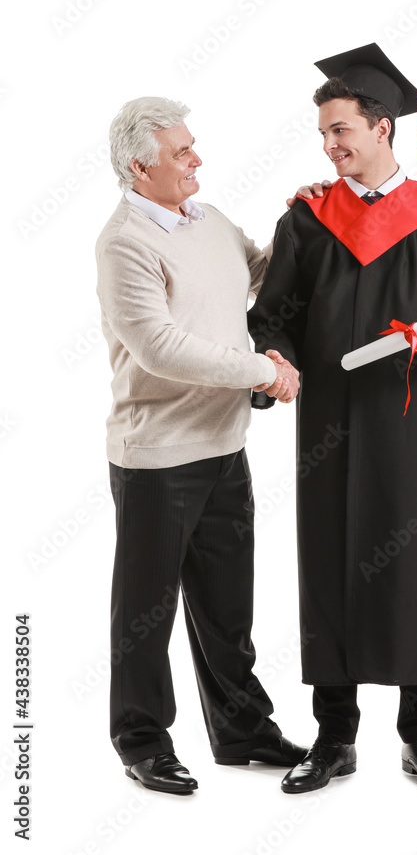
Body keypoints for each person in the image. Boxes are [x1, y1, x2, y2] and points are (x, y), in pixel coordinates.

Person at [247, 44, 417, 795]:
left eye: (341, 131)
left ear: (382, 127)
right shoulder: (309, 221)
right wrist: (273, 362)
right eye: (323, 136)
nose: (329, 146)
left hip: (410, 421)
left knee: (413, 564)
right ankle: (334, 738)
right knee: (327, 562)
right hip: (327, 422)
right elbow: (272, 319)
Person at [96, 96, 306, 794]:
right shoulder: (125, 242)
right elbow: (158, 347)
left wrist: (299, 223)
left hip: (223, 446)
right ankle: (142, 740)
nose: (197, 160)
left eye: (193, 146)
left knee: (226, 604)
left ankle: (241, 731)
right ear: (139, 166)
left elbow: (256, 272)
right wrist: (261, 371)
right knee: (145, 611)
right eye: (181, 152)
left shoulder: (208, 220)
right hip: (157, 456)